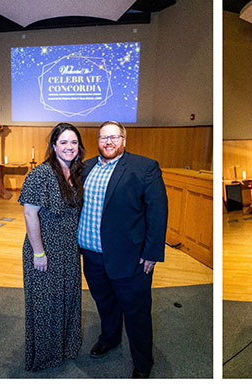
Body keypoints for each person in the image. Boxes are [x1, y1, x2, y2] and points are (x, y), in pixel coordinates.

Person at [78, 121, 168, 378]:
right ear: (98, 140)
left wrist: (152, 252)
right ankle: (110, 338)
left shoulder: (144, 167)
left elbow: (158, 212)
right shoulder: (85, 167)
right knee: (104, 303)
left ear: (124, 140)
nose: (109, 142)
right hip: (92, 255)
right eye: (104, 137)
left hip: (131, 258)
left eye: (114, 137)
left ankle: (142, 362)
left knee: (137, 313)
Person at [19, 122, 86, 371]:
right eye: (64, 142)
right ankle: (46, 355)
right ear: (54, 146)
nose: (70, 147)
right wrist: (38, 252)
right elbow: (29, 215)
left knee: (68, 298)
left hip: (69, 250)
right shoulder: (41, 174)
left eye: (74, 142)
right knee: (46, 304)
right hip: (45, 249)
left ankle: (65, 347)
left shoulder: (77, 172)